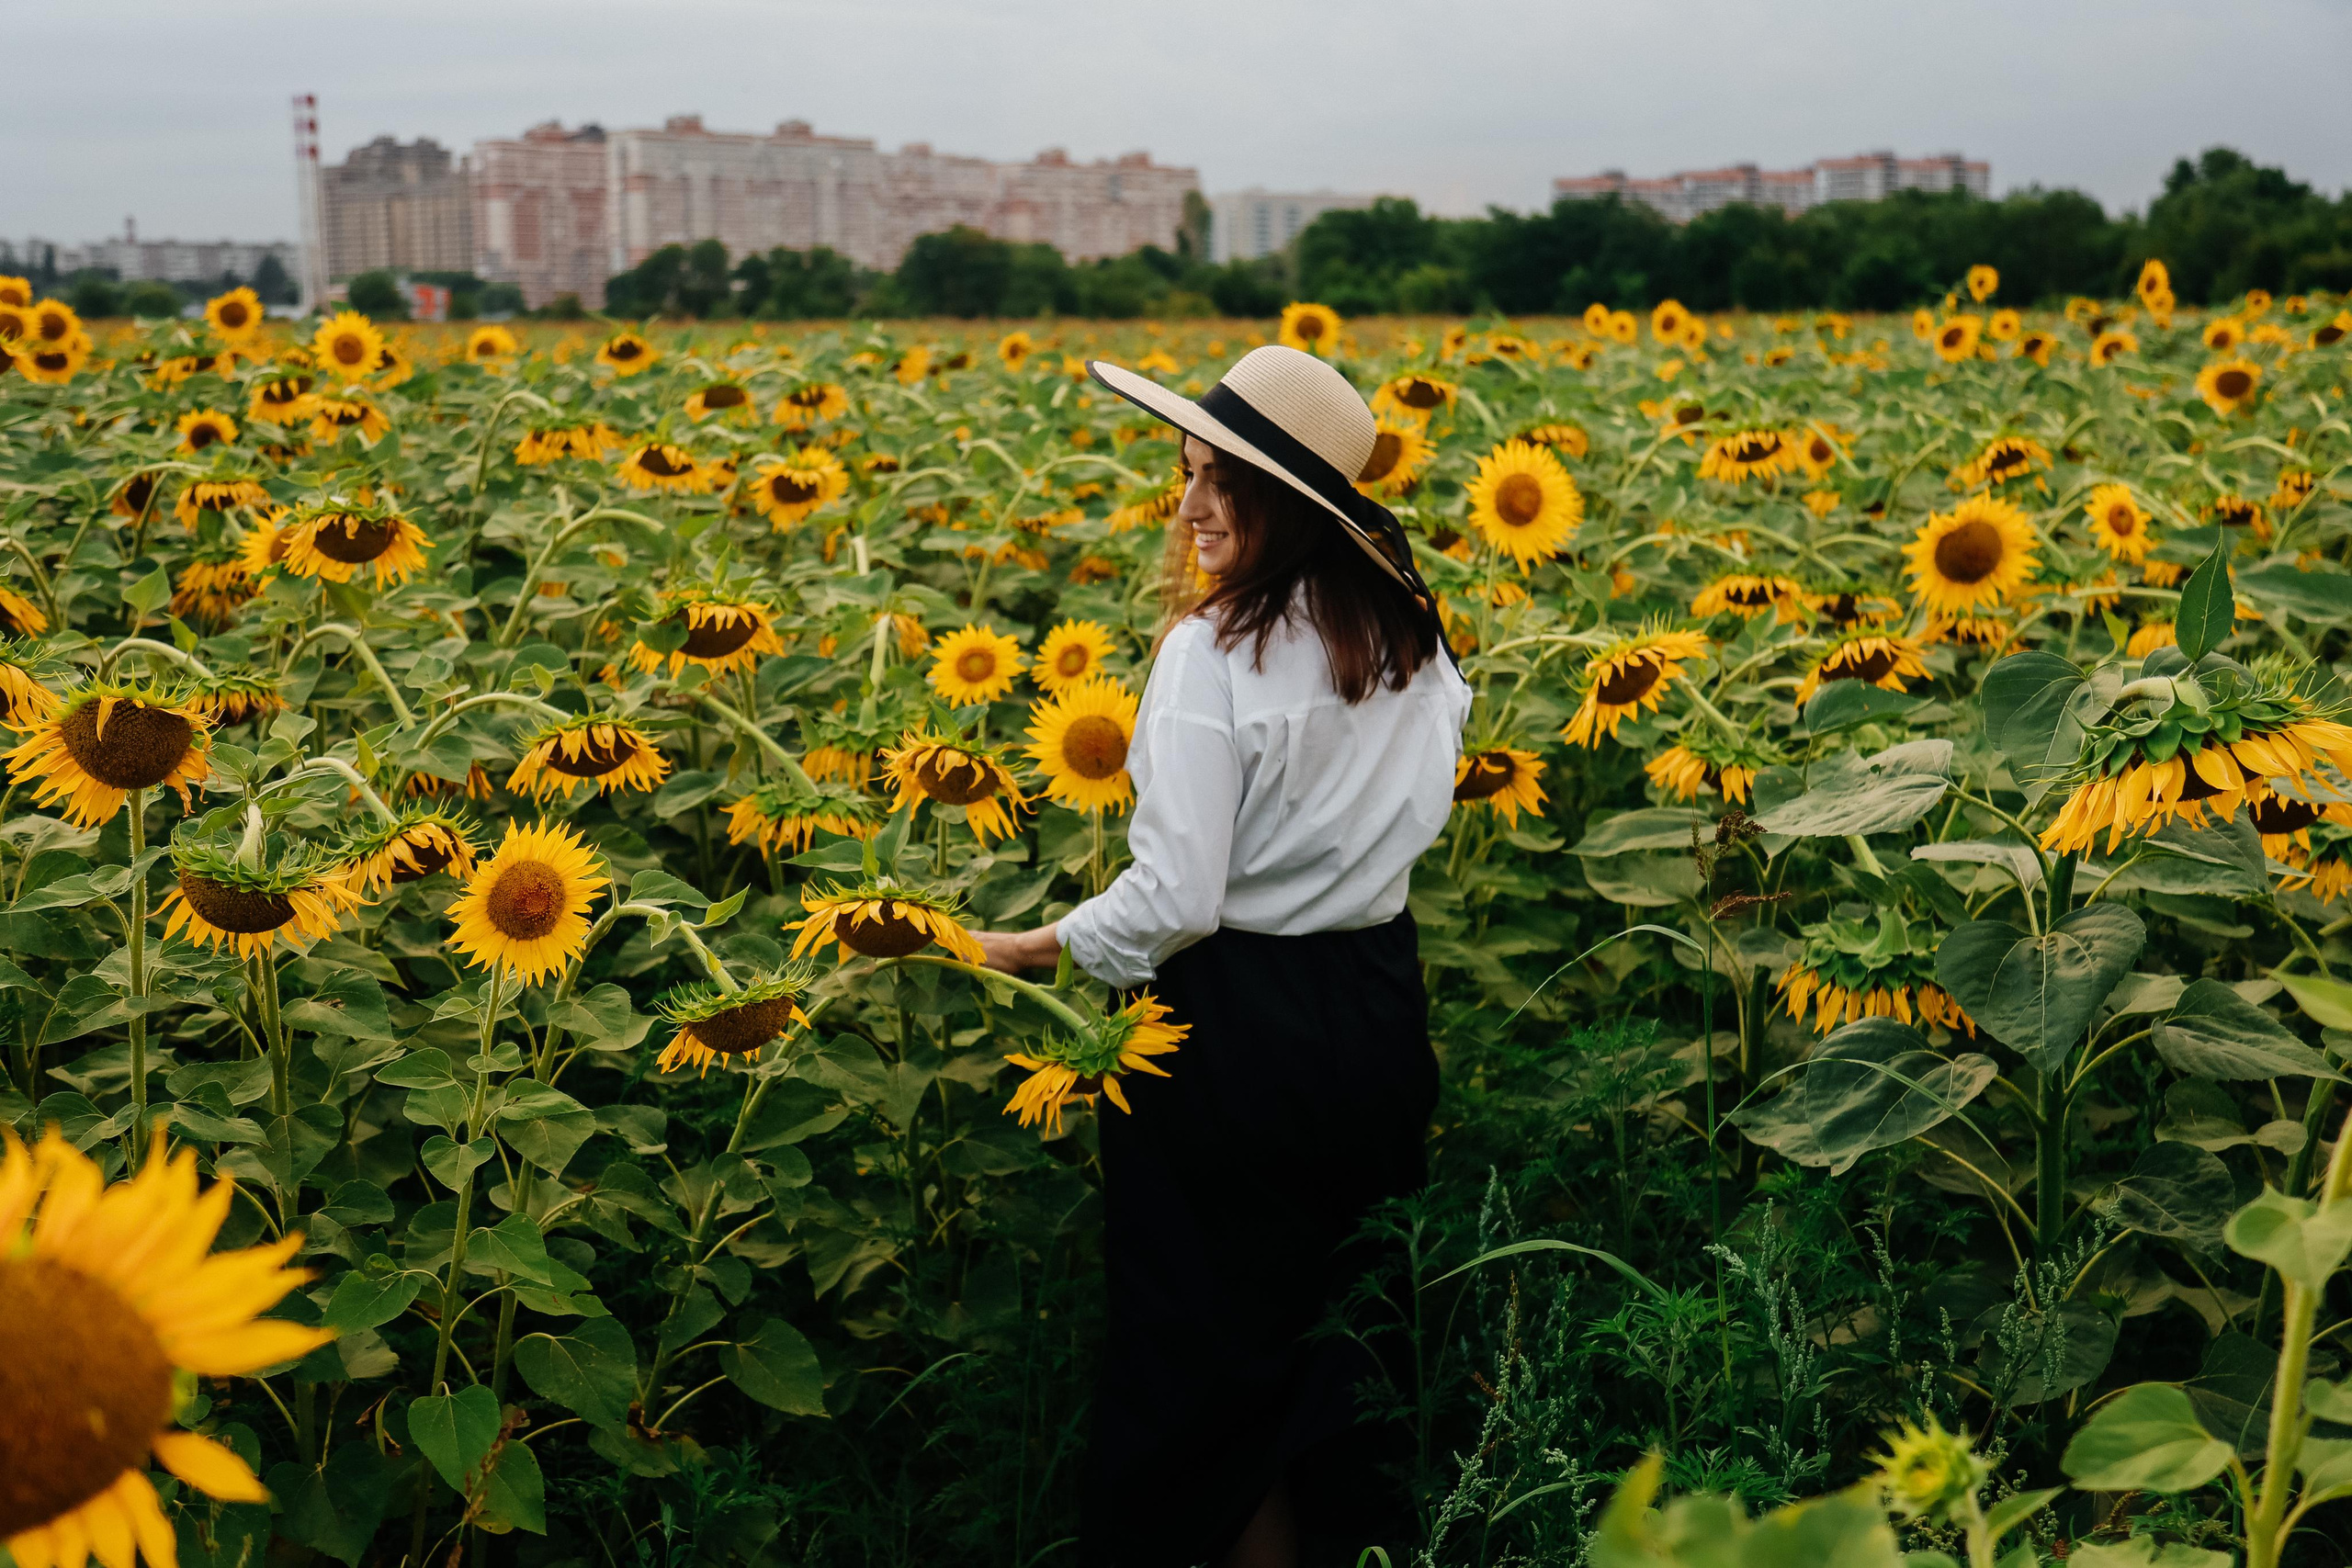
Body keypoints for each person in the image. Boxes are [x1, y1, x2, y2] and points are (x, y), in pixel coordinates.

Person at [976, 345, 1471, 1568]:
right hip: (1373, 1007)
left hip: (1227, 1028)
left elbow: (1180, 897)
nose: (1190, 507)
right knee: (1331, 1341)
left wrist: (1039, 945)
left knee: (1205, 1364)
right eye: (1188, 472)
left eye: (1223, 483)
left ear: (1290, 507)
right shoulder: (1413, 639)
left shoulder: (1213, 656)